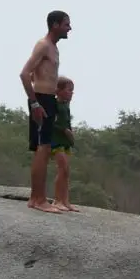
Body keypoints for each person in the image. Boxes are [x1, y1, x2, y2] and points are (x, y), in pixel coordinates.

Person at [18, 10, 72, 213]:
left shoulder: (54, 49)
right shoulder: (43, 45)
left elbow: (35, 74)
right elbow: (24, 74)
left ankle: (36, 199)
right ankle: (38, 199)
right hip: (40, 100)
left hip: (48, 99)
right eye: (66, 24)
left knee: (45, 148)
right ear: (55, 24)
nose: (70, 28)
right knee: (42, 148)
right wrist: (34, 103)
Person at [50, 76, 78, 212]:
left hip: (66, 141)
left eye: (72, 90)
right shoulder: (53, 104)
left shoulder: (66, 105)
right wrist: (64, 130)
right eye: (69, 90)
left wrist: (71, 135)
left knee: (66, 171)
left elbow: (67, 122)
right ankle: (57, 200)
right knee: (62, 169)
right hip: (56, 140)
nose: (71, 93)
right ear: (58, 90)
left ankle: (66, 201)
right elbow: (50, 122)